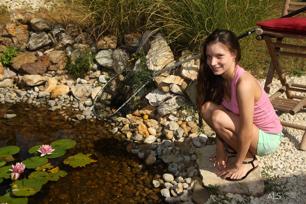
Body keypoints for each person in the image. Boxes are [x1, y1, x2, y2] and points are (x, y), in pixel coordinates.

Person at [196, 29, 283, 181]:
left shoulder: (244, 84)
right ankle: (236, 150)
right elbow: (223, 115)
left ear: (233, 54)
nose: (212, 63)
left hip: (267, 138)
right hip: (249, 130)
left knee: (217, 116)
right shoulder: (221, 78)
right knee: (206, 108)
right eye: (209, 56)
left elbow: (246, 128)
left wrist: (238, 163)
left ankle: (250, 161)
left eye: (219, 56)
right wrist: (220, 150)